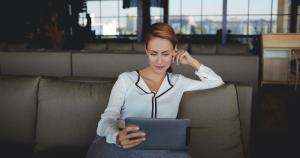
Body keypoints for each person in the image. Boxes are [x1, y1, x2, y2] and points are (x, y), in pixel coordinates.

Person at [85, 23, 224, 158]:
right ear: (146, 50)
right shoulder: (125, 79)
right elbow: (106, 121)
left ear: (174, 51)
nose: (159, 61)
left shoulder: (179, 82)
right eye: (153, 53)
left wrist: (193, 62)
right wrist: (116, 137)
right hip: (119, 146)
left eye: (165, 53)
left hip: (159, 150)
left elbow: (217, 83)